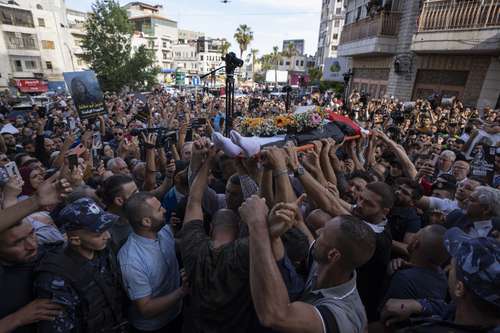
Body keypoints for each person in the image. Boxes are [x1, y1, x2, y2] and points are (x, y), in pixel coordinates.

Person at [240, 195, 376, 333]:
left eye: (323, 234)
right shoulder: (329, 266)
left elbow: (275, 316)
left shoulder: (342, 316)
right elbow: (310, 240)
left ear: (333, 255)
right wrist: (276, 235)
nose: (317, 232)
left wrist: (257, 224)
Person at [34, 198, 127, 333]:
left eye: (106, 229)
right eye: (99, 233)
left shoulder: (102, 249)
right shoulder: (56, 275)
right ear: (76, 240)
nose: (107, 236)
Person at [381, 227, 500, 332]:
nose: (446, 270)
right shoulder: (475, 312)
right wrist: (419, 305)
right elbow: (452, 307)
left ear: (459, 288)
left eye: (452, 267)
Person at [118, 192, 186, 332]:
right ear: (146, 222)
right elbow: (146, 309)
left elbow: (174, 244)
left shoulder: (164, 230)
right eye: (160, 209)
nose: (165, 210)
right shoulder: (131, 261)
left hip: (176, 314)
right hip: (154, 327)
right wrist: (183, 291)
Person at [381, 225, 449, 307]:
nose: (412, 236)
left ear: (415, 244)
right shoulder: (442, 277)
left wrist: (388, 275)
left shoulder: (403, 279)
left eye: (416, 234)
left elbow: (385, 314)